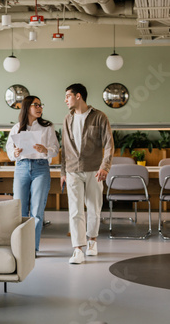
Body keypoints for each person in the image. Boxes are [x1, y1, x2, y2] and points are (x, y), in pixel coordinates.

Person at [60, 83, 114, 264]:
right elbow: (64, 148)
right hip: (73, 170)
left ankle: (92, 241)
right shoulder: (67, 119)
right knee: (75, 210)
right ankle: (77, 249)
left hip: (94, 170)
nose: (65, 99)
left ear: (78, 96)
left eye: (68, 96)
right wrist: (62, 172)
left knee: (93, 208)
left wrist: (105, 166)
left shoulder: (99, 117)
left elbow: (108, 144)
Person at [6, 95, 60, 253]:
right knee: (19, 211)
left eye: (40, 105)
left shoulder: (47, 127)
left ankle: (32, 249)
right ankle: (20, 247)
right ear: (27, 107)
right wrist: (15, 152)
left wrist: (46, 150)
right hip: (22, 167)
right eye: (36, 105)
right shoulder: (17, 128)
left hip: (41, 168)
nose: (39, 108)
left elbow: (55, 149)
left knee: (37, 211)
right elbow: (9, 151)